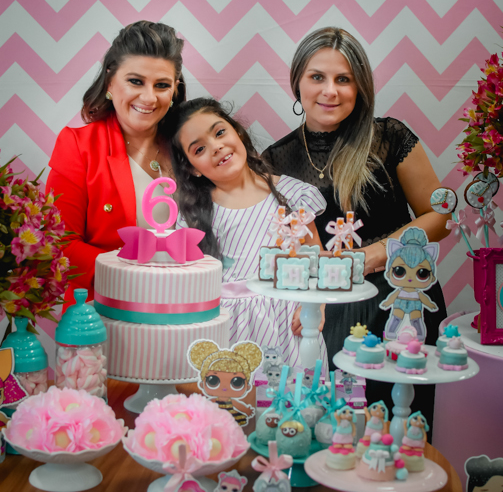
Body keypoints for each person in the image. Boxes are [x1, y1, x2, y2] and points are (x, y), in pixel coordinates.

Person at [262, 27, 449, 419]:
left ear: (360, 86)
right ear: (297, 82)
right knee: (332, 422)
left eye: (343, 79)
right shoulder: (276, 159)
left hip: (400, 300)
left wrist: (373, 256)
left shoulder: (389, 137)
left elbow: (439, 216)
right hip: (325, 310)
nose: (330, 91)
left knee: (398, 425)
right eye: (317, 77)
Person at [171, 97, 327, 372]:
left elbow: (317, 259)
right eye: (200, 149)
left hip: (289, 324)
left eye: (220, 132)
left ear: (238, 132)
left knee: (296, 394)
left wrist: (315, 306)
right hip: (226, 328)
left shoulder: (294, 195)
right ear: (192, 168)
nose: (216, 147)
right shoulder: (193, 216)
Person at [46, 21, 186, 305]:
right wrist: (132, 276)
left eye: (161, 85)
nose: (149, 97)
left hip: (182, 308)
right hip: (104, 311)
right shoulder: (78, 145)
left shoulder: (189, 147)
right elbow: (59, 243)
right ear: (110, 81)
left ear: (174, 90)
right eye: (135, 81)